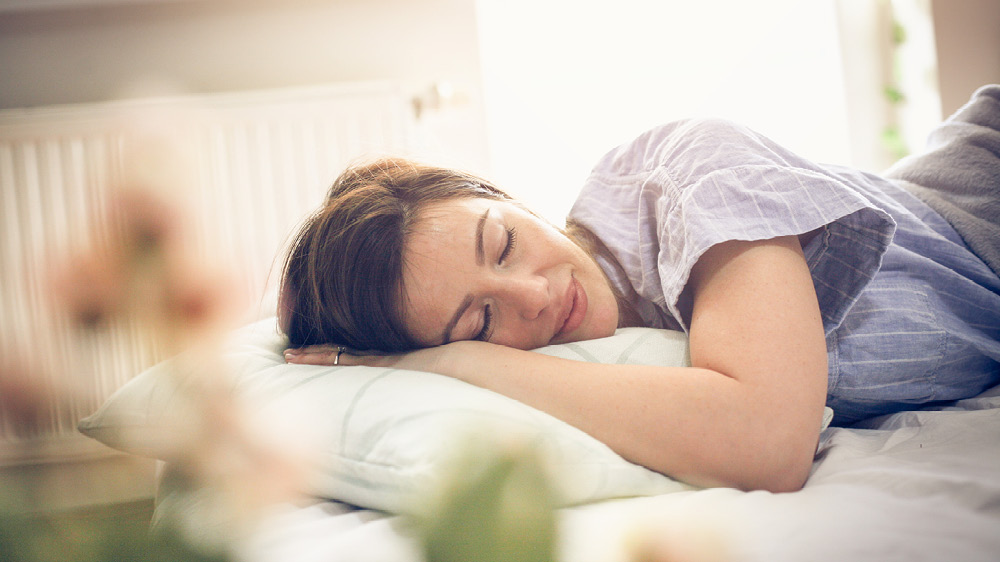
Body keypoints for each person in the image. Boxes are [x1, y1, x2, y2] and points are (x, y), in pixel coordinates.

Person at [280, 86, 1000, 493]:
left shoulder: (687, 172)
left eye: (502, 242)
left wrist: (463, 357)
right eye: (480, 322)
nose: (532, 293)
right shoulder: (617, 355)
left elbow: (768, 440)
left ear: (502, 195)